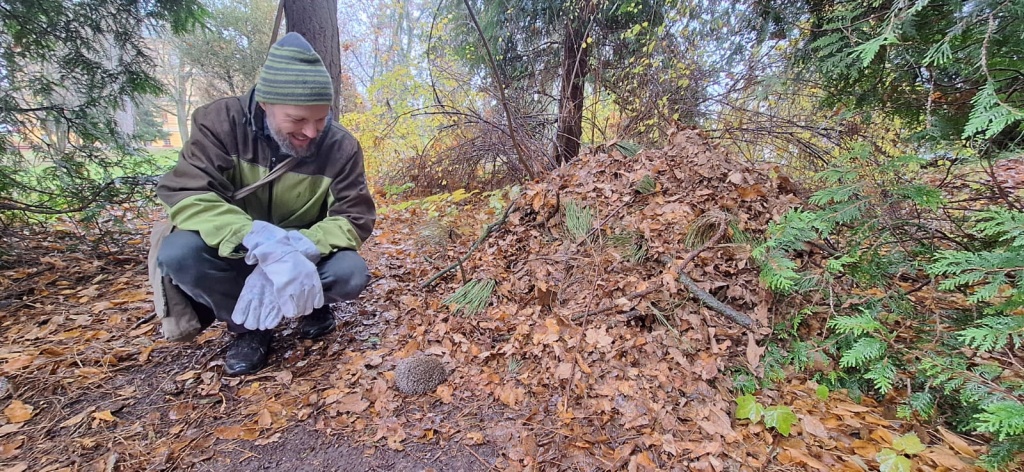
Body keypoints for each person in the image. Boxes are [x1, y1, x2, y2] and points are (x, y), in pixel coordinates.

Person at [149, 32, 376, 375]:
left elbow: (354, 216)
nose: (312, 132)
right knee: (179, 253)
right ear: (265, 103)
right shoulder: (219, 123)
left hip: (306, 251)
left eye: (321, 118)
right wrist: (255, 238)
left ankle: (311, 303)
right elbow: (188, 194)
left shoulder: (341, 147)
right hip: (236, 247)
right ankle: (249, 327)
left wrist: (297, 248)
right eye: (297, 120)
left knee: (350, 272)